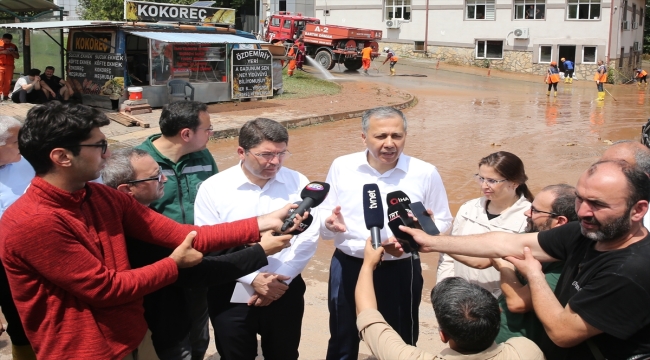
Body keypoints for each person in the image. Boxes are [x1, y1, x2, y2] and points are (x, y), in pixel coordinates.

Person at [0, 101, 302, 359]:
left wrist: (264, 221)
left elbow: (184, 235)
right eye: (99, 146)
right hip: (81, 348)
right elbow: (106, 289)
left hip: (132, 337)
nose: (107, 154)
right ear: (62, 157)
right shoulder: (32, 222)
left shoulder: (102, 197)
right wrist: (173, 264)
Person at [397, 159, 650, 359]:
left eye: (596, 203)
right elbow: (506, 243)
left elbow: (563, 332)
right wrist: (431, 241)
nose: (583, 211)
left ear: (638, 210)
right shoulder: (587, 234)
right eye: (580, 199)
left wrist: (534, 274)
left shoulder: (629, 270)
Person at [102, 147, 293, 360]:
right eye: (155, 176)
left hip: (176, 318)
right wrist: (260, 251)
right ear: (127, 190)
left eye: (161, 171)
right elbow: (198, 272)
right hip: (159, 327)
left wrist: (255, 229)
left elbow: (197, 237)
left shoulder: (145, 212)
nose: (164, 178)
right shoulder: (135, 231)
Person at [321, 106, 453, 359]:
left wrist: (426, 228)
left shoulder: (425, 172)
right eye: (381, 136)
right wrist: (328, 224)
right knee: (342, 336)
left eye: (397, 136)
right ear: (364, 137)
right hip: (349, 264)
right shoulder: (342, 166)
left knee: (401, 341)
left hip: (401, 267)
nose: (390, 144)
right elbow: (327, 213)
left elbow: (444, 219)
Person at [194, 118, 320, 360]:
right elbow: (209, 243)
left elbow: (309, 236)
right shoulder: (214, 188)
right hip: (230, 287)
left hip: (285, 287)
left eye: (282, 153)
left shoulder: (298, 182)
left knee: (284, 353)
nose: (275, 162)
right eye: (265, 155)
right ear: (242, 152)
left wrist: (282, 278)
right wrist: (253, 279)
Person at [356, 237, 545, 359]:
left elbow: (368, 315)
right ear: (498, 314)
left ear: (443, 335)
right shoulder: (525, 350)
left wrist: (367, 265)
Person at [135, 100, 218, 360]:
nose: (211, 133)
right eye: (208, 128)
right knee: (167, 335)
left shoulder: (203, 156)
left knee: (199, 332)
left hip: (198, 258)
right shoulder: (140, 163)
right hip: (160, 265)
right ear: (186, 134)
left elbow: (215, 198)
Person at [493, 184, 578, 351]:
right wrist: (434, 239)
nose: (527, 213)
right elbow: (480, 259)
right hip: (497, 341)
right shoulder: (534, 238)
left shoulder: (568, 265)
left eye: (535, 210)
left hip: (523, 351)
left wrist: (504, 266)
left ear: (560, 221)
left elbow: (517, 302)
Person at [437, 151, 533, 297]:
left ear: (514, 183)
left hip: (501, 304)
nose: (484, 186)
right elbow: (449, 255)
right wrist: (444, 289)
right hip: (460, 299)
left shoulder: (529, 217)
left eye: (492, 181)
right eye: (481, 178)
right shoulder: (468, 208)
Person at [0, 116, 36, 360]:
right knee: (18, 327)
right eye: (16, 141)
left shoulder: (25, 161)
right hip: (3, 267)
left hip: (35, 257)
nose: (23, 145)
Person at [0, 33, 19, 100]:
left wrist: (12, 53)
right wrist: (2, 52)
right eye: (6, 41)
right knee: (0, 80)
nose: (8, 42)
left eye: (9, 41)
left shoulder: (13, 46)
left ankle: (5, 95)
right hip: (0, 65)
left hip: (9, 66)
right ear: (2, 38)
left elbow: (17, 56)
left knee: (8, 81)